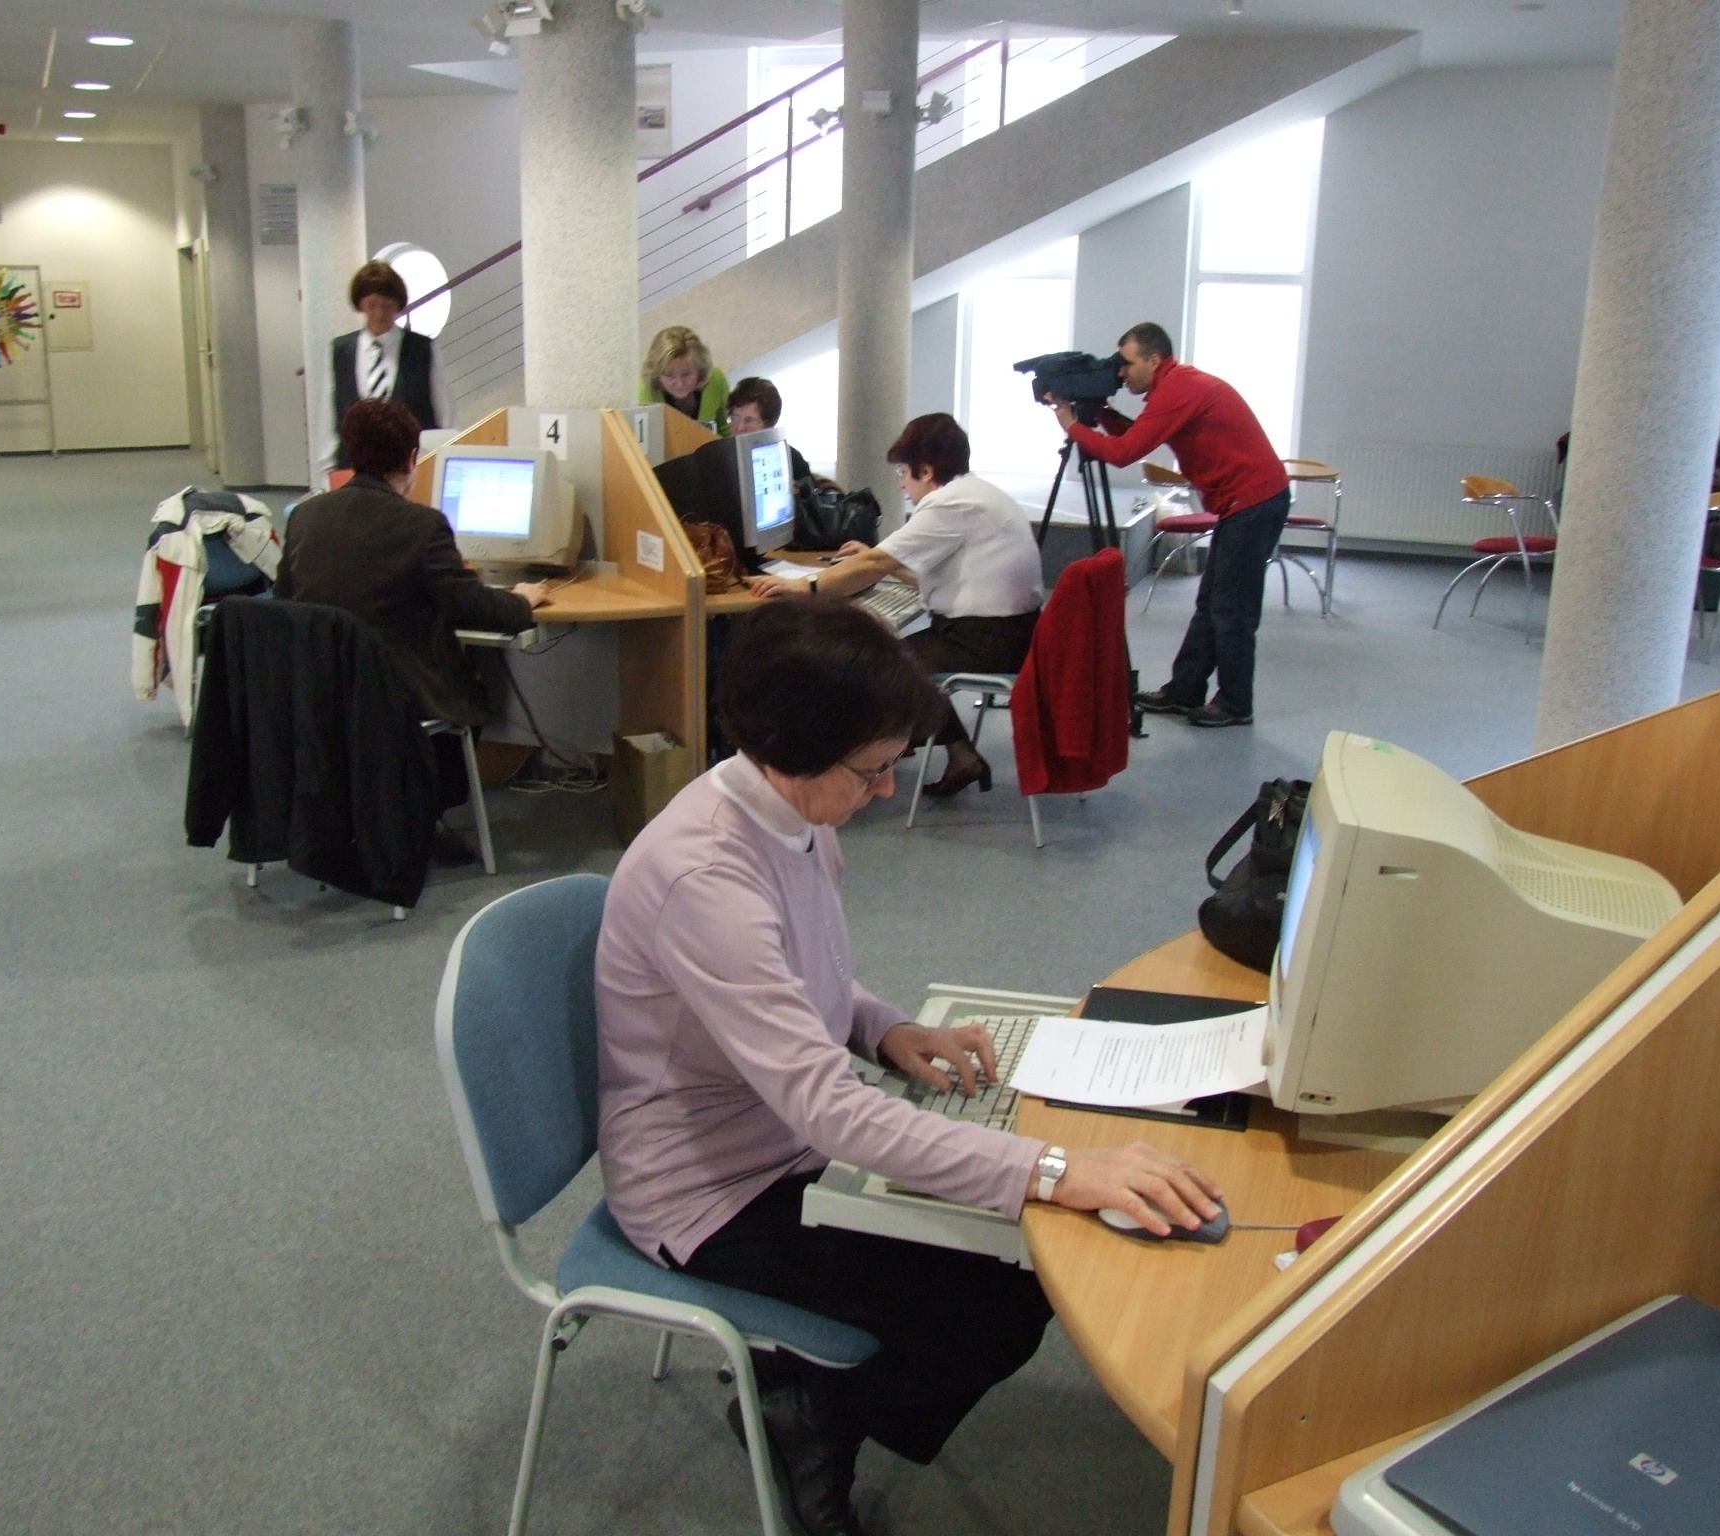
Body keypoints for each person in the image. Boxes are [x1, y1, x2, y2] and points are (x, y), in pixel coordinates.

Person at [596, 598, 1224, 1536]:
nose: (889, 791)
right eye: (874, 770)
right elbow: (827, 1109)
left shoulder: (788, 810)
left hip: (782, 1138)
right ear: (794, 749)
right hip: (709, 1193)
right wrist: (1056, 1170)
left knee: (1009, 1258)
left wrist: (883, 1028)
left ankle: (813, 1389)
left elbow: (796, 982)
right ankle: (810, 1417)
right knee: (1001, 1295)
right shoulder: (707, 878)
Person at [746, 414, 1045, 800]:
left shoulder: (949, 503)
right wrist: (878, 561)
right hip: (1005, 631)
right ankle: (961, 757)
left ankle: (854, 765)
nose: (902, 483)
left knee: (881, 666)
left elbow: (875, 565)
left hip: (987, 640)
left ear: (927, 470)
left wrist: (803, 586)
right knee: (902, 657)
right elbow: (940, 576)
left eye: (904, 472)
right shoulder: (976, 493)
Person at [278, 399, 550, 807]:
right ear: (411, 458)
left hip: (319, 692)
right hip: (396, 697)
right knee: (474, 679)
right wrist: (522, 601)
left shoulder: (304, 515)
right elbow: (472, 607)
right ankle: (426, 803)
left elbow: (285, 598)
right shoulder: (423, 526)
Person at [1051, 322, 1289, 729]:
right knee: (1211, 603)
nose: (1121, 372)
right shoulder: (1177, 385)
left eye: (1127, 363)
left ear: (1154, 359)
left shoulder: (1179, 389)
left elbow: (1125, 453)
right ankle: (1184, 690)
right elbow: (1141, 437)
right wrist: (1102, 411)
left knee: (1231, 609)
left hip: (1254, 502)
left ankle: (1236, 704)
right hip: (1245, 503)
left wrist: (1072, 425)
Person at [326, 260, 453, 478]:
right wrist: (327, 471)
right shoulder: (340, 351)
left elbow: (445, 412)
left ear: (397, 305)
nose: (379, 313)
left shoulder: (422, 349)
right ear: (360, 305)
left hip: (411, 467)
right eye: (372, 305)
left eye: (387, 305)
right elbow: (329, 419)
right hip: (354, 468)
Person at [640, 325, 732, 436]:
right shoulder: (647, 389)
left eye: (686, 374)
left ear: (700, 369)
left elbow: (724, 429)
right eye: (669, 375)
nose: (680, 384)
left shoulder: (716, 380)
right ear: (656, 373)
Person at [726, 374, 815, 484]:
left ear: (769, 424)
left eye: (749, 420)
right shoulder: (723, 458)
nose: (740, 428)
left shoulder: (791, 459)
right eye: (735, 418)